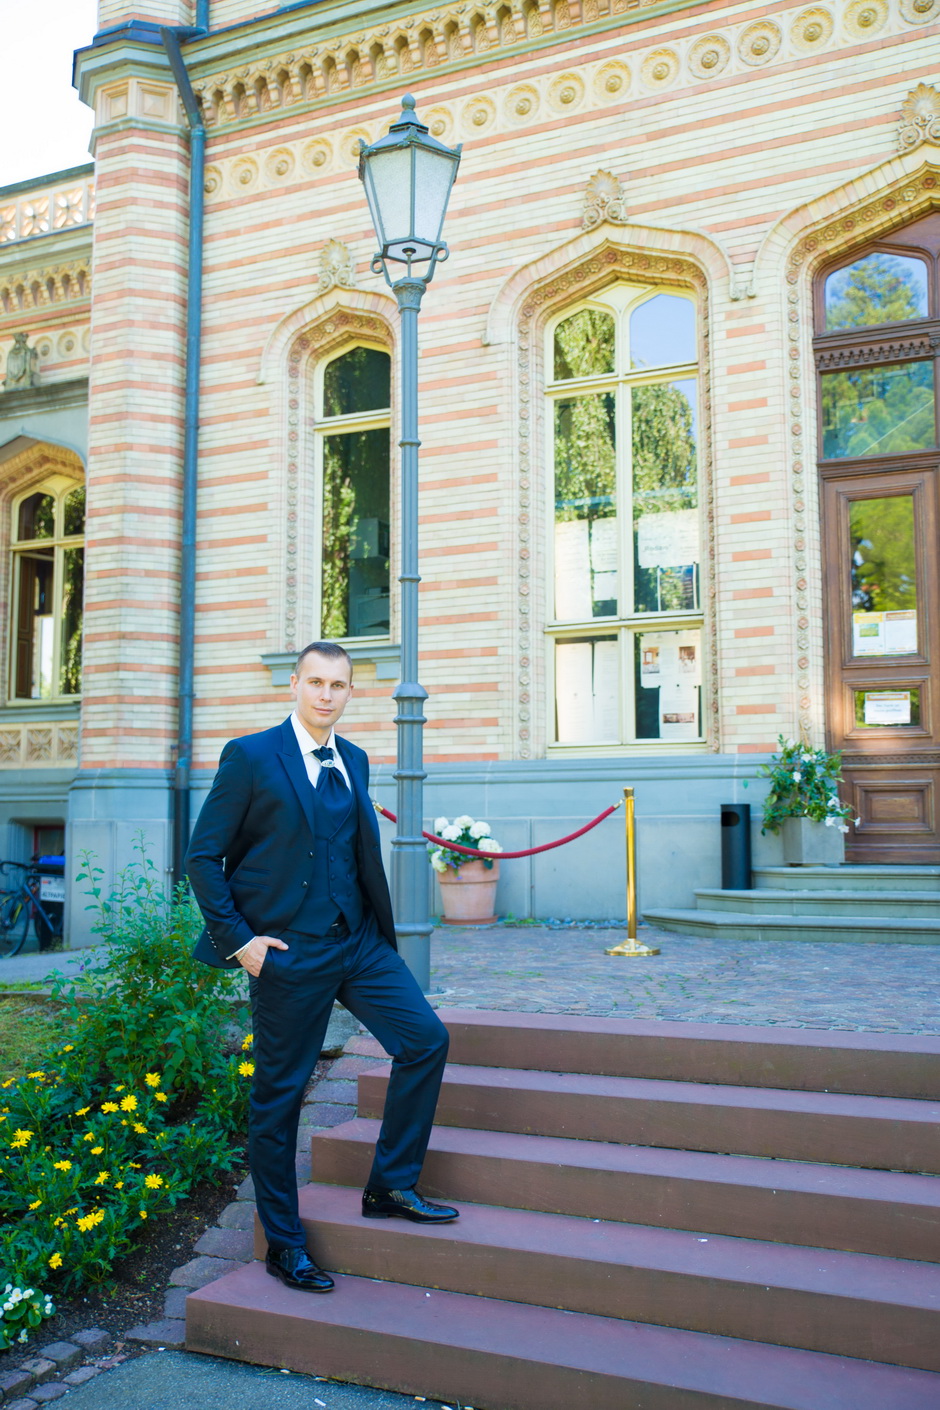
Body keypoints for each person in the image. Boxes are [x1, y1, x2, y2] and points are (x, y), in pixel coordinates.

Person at [186, 640, 457, 1294]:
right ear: (295, 686)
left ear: (349, 692)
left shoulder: (355, 758)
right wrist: (240, 942)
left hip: (358, 942)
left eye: (338, 685)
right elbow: (203, 857)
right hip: (286, 952)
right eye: (315, 682)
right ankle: (285, 1243)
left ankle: (391, 1184)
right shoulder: (251, 756)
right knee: (280, 1097)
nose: (326, 695)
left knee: (425, 1040)